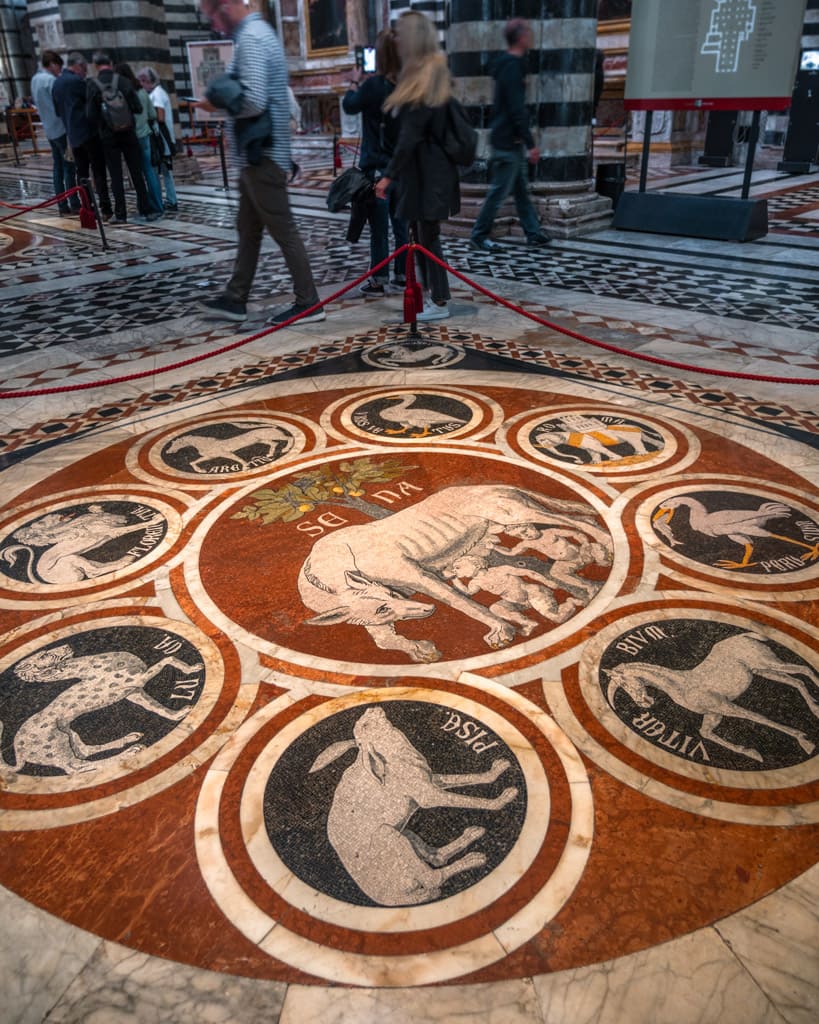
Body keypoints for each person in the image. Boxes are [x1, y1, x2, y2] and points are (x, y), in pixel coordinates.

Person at [197, 0, 324, 325]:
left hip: (263, 155)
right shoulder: (257, 33)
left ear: (225, 6)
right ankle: (236, 297)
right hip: (257, 155)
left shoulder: (252, 37)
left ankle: (309, 303)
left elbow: (253, 99)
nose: (214, 25)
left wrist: (217, 104)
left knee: (284, 231)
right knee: (248, 229)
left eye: (213, 15)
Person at [375, 12, 458, 322]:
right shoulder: (425, 70)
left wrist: (388, 176)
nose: (395, 38)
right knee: (422, 235)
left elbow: (411, 134)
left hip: (429, 172)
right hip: (425, 171)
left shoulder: (425, 75)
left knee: (428, 237)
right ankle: (435, 296)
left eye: (400, 33)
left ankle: (439, 300)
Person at [469, 18, 551, 252]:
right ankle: (479, 235)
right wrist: (531, 143)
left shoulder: (510, 63)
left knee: (521, 190)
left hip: (508, 139)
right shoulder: (512, 66)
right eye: (528, 33)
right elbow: (516, 108)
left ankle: (533, 232)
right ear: (521, 37)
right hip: (508, 140)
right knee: (498, 192)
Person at [342, 28, 407, 297]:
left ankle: (379, 279)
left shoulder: (373, 86)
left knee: (379, 228)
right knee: (401, 226)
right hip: (400, 168)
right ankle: (403, 276)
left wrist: (354, 82)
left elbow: (349, 106)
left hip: (377, 169)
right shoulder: (405, 87)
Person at [86, 51, 153, 224]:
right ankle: (146, 210)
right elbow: (137, 108)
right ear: (111, 63)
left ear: (96, 66)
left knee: (115, 175)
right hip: (129, 133)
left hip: (108, 136)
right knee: (136, 172)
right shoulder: (123, 81)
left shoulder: (93, 84)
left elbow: (90, 115)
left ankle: (121, 214)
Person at [51, 52, 113, 220]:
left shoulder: (56, 84)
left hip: (73, 135)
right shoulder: (77, 82)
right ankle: (106, 207)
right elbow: (91, 107)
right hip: (89, 133)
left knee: (82, 173)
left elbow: (58, 111)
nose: (85, 72)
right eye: (85, 68)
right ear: (78, 66)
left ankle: (87, 207)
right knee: (98, 170)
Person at [31, 51, 81, 216]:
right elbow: (60, 104)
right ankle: (74, 202)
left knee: (58, 167)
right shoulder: (50, 80)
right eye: (58, 67)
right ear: (52, 64)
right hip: (60, 128)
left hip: (49, 128)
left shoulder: (35, 79)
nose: (59, 71)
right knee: (69, 167)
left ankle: (62, 204)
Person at [115, 63, 163, 217]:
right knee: (149, 172)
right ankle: (157, 205)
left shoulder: (121, 93)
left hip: (130, 137)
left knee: (136, 174)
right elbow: (152, 115)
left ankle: (143, 205)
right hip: (145, 136)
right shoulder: (142, 91)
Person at [137, 66, 179, 212]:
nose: (141, 84)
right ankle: (168, 199)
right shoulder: (154, 93)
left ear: (151, 81)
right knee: (162, 169)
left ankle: (171, 200)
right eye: (140, 81)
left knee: (166, 170)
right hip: (159, 137)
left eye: (144, 81)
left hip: (162, 137)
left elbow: (160, 116)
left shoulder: (157, 94)